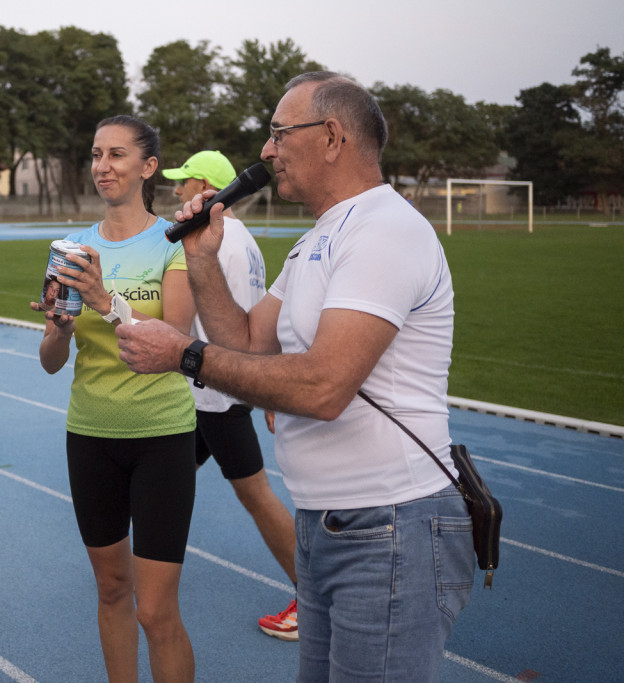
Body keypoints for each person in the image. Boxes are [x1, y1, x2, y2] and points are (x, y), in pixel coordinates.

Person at [116, 72, 475, 682]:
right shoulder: (318, 239)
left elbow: (323, 387)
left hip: (389, 526)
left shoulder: (382, 230)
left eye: (280, 133)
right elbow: (249, 346)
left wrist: (183, 355)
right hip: (328, 524)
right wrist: (202, 260)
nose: (266, 151)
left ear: (332, 136)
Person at [31, 114, 198, 682]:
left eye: (117, 155)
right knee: (111, 589)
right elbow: (52, 362)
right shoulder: (72, 251)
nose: (103, 166)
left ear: (148, 167)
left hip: (161, 436)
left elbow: (177, 337)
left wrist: (104, 299)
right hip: (91, 435)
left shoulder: (174, 241)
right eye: (97, 154)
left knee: (154, 609)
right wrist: (56, 327)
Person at [162, 150, 300, 642]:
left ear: (205, 184)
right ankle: (151, 574)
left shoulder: (225, 243)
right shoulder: (235, 238)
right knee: (165, 477)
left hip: (217, 393)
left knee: (256, 495)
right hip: (204, 392)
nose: (177, 191)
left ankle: (311, 597)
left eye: (183, 182)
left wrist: (257, 387)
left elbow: (240, 324)